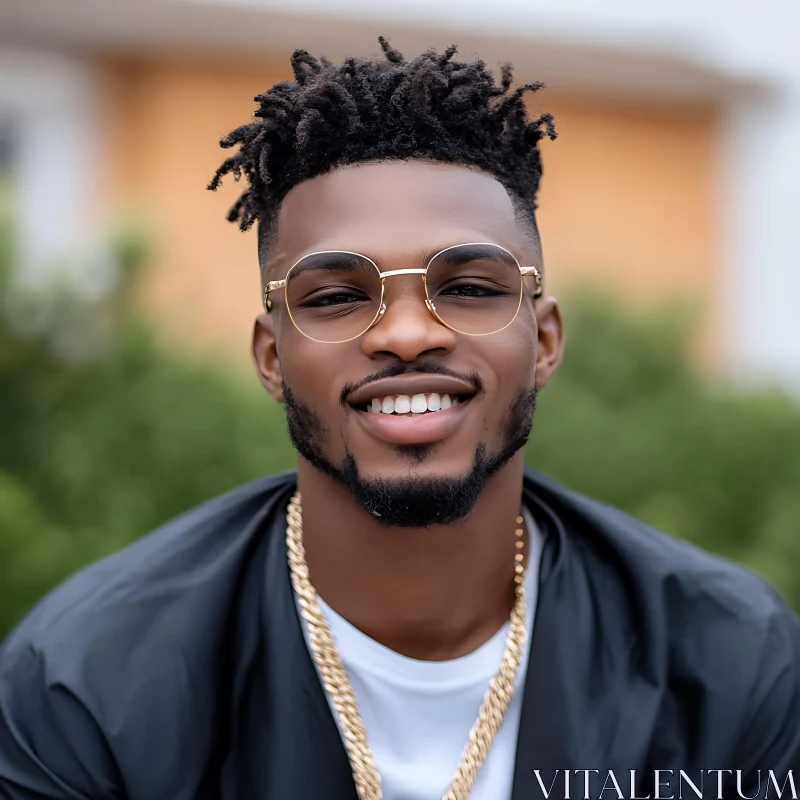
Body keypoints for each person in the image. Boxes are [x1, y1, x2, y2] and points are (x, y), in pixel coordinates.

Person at [0, 37, 798, 800]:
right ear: (272, 359)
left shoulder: (728, 664)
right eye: (339, 296)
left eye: (471, 287)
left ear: (546, 340)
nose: (409, 334)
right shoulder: (89, 682)